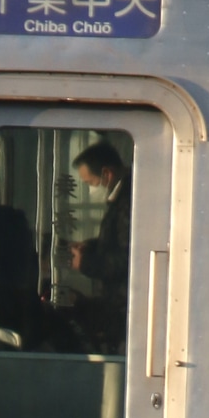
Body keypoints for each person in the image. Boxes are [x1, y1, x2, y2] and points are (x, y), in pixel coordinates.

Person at [67, 140, 131, 352]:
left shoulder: (128, 202)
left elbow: (127, 259)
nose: (90, 188)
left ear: (107, 174)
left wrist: (86, 262)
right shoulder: (121, 199)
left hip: (122, 307)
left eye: (90, 182)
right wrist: (92, 246)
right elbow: (118, 241)